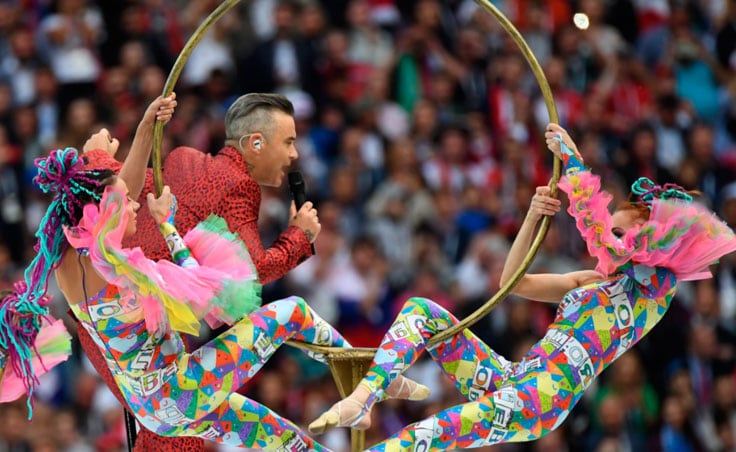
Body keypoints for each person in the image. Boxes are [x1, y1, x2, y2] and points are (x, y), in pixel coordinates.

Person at [307, 123, 736, 450]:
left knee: (432, 430)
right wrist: (534, 215)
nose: (610, 226)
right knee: (422, 311)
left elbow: (611, 243)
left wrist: (575, 167)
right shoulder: (590, 280)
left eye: (621, 222)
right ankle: (366, 395)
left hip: (544, 396)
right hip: (514, 378)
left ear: (646, 232)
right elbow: (511, 282)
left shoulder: (655, 288)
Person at [0, 147, 428, 449]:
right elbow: (202, 286)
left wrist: (112, 147)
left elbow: (97, 199)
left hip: (164, 405)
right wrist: (166, 224)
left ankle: (368, 383)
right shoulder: (126, 271)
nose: (134, 204)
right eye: (125, 201)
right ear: (106, 209)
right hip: (177, 393)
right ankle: (373, 381)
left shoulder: (70, 267)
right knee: (291, 313)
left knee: (291, 443)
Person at [78, 92, 322, 450]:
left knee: (174, 431)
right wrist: (300, 237)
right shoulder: (238, 184)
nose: (294, 154)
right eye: (289, 141)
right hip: (135, 323)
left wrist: (144, 129)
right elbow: (252, 274)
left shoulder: (181, 159)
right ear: (256, 143)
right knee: (177, 431)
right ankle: (367, 383)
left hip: (117, 319)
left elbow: (120, 197)